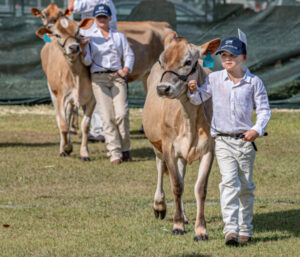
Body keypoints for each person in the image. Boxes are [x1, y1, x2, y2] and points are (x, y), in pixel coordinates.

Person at [187, 37, 271, 246]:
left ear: (243, 58)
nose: (227, 59)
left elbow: (264, 111)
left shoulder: (254, 82)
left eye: (232, 55)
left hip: (245, 141)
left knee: (245, 186)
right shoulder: (214, 79)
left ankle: (246, 229)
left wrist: (256, 130)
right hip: (222, 141)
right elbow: (199, 99)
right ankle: (231, 231)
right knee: (229, 183)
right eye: (224, 55)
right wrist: (192, 91)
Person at [81, 4, 134, 165]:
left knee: (122, 114)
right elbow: (88, 61)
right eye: (99, 17)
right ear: (95, 19)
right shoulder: (90, 38)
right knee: (107, 117)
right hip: (98, 79)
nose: (102, 20)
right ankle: (114, 153)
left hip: (117, 77)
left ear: (110, 18)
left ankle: (125, 148)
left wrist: (126, 68)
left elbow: (129, 54)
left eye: (104, 17)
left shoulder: (119, 36)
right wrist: (83, 50)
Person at [68, 0, 118, 143]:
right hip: (93, 43)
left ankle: (99, 130)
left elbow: (72, 8)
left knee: (97, 88)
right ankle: (95, 128)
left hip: (96, 45)